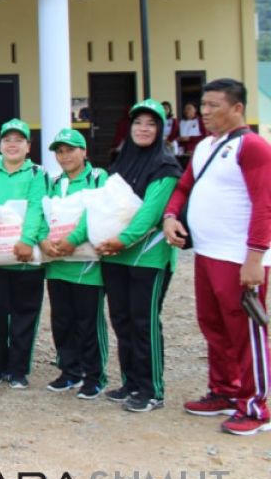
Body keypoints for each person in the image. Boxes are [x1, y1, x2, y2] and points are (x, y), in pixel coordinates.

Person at [165, 79, 271, 436]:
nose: (205, 112)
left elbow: (264, 205)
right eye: (203, 105)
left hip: (237, 256)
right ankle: (224, 390)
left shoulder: (253, 147)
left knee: (245, 330)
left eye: (214, 106)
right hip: (207, 253)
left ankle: (255, 405)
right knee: (213, 324)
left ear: (237, 108)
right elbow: (184, 186)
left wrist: (255, 257)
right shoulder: (206, 146)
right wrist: (170, 217)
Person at [67, 99, 181, 413]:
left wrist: (120, 240)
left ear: (160, 130)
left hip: (147, 257)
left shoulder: (166, 167)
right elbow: (102, 207)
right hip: (114, 257)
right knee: (122, 321)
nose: (143, 129)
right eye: (138, 123)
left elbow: (150, 214)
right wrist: (83, 239)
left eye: (151, 124)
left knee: (144, 322)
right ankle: (131, 382)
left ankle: (152, 389)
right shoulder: (120, 163)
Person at [0, 118, 46, 389]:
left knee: (24, 315)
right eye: (7, 140)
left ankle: (18, 370)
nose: (12, 145)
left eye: (19, 140)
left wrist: (27, 240)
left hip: (25, 261)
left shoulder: (38, 174)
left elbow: (38, 208)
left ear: (28, 146)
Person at [39, 128, 109, 399]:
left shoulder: (97, 178)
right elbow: (42, 213)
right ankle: (69, 371)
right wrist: (43, 240)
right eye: (60, 151)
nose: (64, 155)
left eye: (70, 150)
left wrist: (73, 239)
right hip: (57, 263)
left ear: (84, 152)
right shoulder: (54, 183)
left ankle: (94, 375)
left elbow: (98, 211)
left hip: (86, 265)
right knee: (62, 320)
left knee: (88, 321)